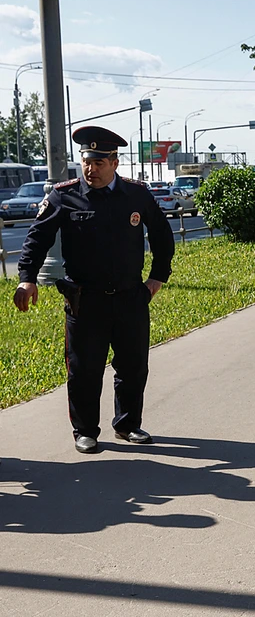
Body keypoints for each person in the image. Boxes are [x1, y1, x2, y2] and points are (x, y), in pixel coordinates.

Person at [13, 126, 175, 454]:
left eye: (100, 163)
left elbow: (161, 234)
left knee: (133, 367)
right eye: (87, 162)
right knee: (84, 369)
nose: (91, 169)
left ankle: (128, 425)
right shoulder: (64, 195)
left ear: (115, 162)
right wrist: (27, 278)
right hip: (85, 301)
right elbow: (37, 238)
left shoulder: (136, 194)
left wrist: (157, 277)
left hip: (131, 297)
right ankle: (85, 431)